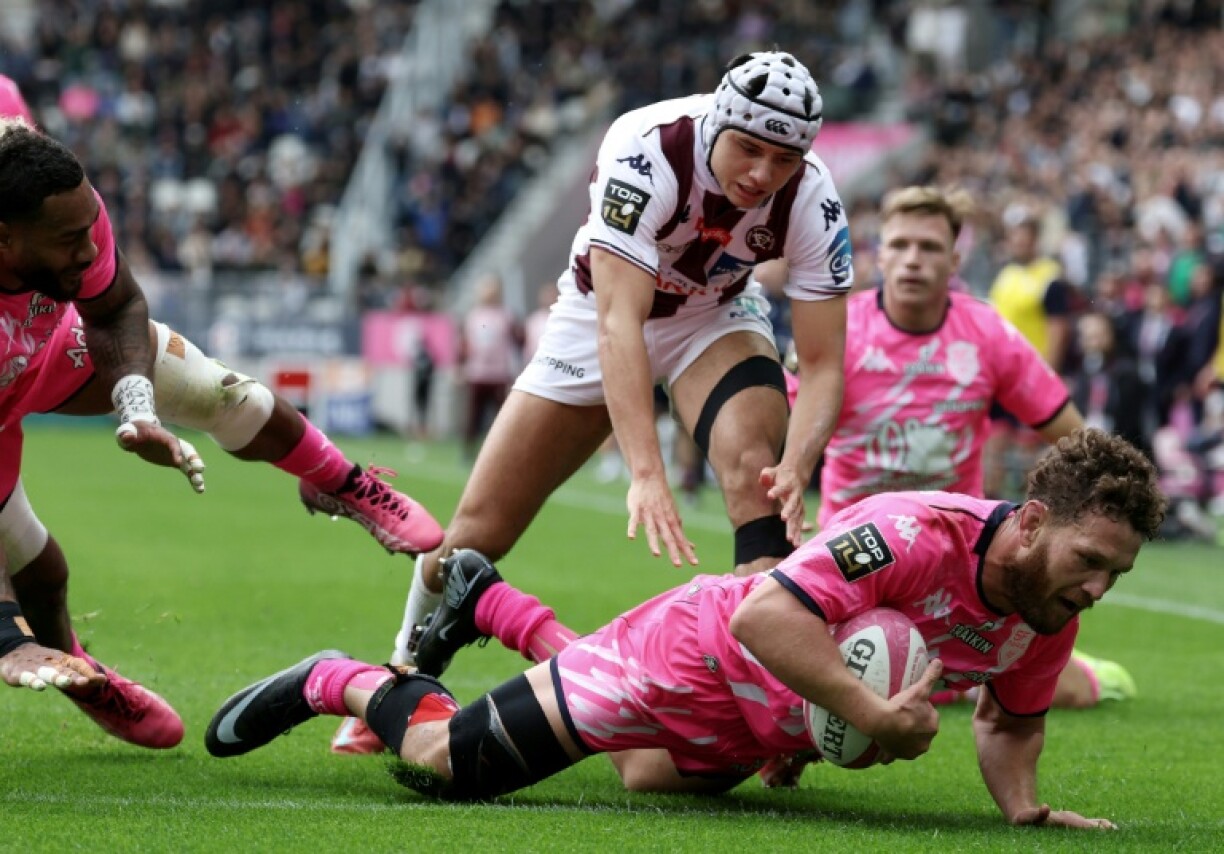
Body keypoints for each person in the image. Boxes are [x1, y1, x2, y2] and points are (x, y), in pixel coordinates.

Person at [209, 428, 1164, 830]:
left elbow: (1011, 720)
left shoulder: (1046, 612)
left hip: (755, 726)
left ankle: (494, 608)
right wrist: (866, 714)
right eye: (1090, 561)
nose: (1097, 589)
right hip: (684, 656)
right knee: (449, 767)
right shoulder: (913, 534)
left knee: (646, 775)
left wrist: (1022, 806)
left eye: (1114, 574)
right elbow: (764, 612)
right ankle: (337, 678)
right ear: (1035, 523)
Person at [0, 101, 442, 748]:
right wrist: (10, 637)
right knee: (41, 567)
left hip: (46, 349)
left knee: (218, 392)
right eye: (72, 240)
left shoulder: (62, 202)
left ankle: (338, 480)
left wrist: (135, 405)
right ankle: (73, 668)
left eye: (90, 224)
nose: (91, 245)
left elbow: (116, 304)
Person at [782, 187, 1134, 710]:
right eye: (899, 245)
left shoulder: (987, 332)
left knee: (1064, 693)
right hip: (854, 551)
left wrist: (1105, 510)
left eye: (928, 247)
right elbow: (781, 429)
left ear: (954, 259)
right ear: (878, 255)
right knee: (812, 669)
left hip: (957, 571)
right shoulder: (840, 330)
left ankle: (1084, 673)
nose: (912, 260)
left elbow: (1075, 441)